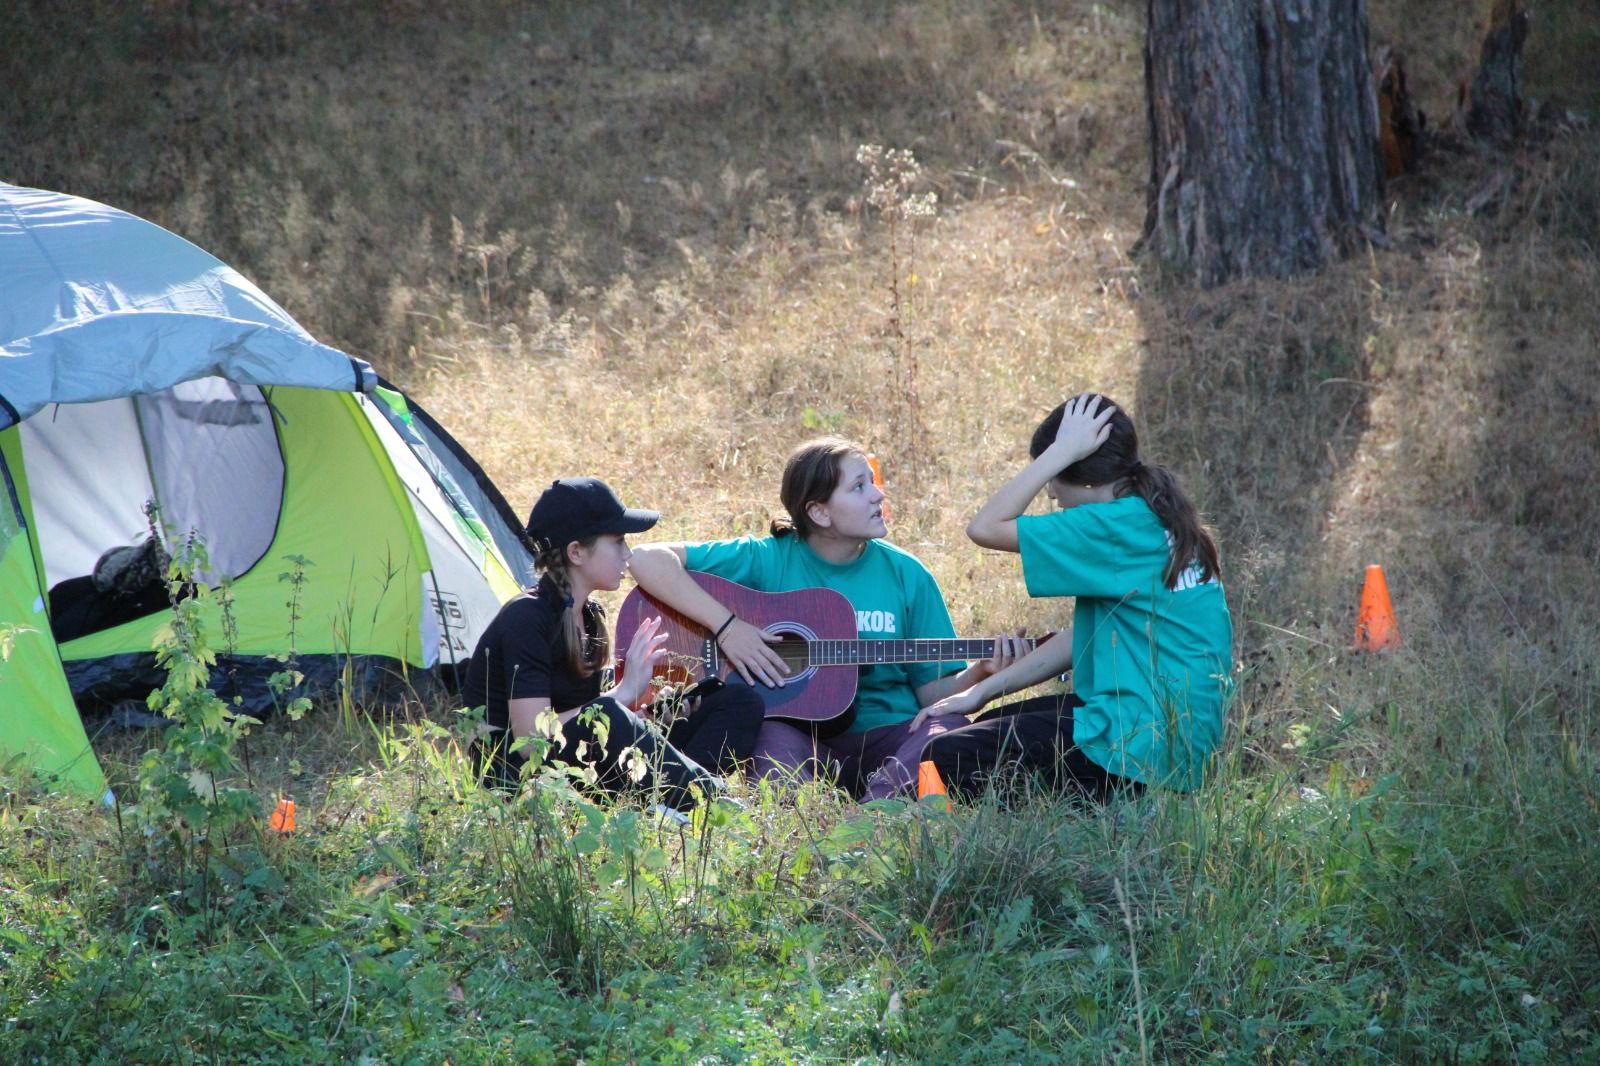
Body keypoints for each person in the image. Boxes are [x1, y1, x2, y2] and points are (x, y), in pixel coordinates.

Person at [628, 437, 1020, 800]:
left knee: (947, 729)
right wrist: (728, 628)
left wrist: (979, 672)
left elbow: (931, 693)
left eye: (873, 483)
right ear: (819, 512)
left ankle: (873, 816)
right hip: (800, 736)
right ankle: (802, 824)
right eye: (859, 487)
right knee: (768, 739)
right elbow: (646, 560)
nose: (878, 495)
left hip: (894, 735)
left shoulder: (908, 574)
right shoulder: (769, 558)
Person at [909, 393, 1234, 801]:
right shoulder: (1149, 516)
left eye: (1055, 476)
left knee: (945, 755)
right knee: (988, 721)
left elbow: (985, 527)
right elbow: (1080, 638)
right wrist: (980, 691)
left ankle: (1095, 821)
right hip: (1169, 744)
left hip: (1135, 749)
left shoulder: (1113, 528)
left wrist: (1058, 452)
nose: (1050, 495)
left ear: (1081, 472)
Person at [462, 477, 764, 813]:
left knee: (736, 701)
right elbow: (530, 743)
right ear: (576, 552)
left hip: (580, 765)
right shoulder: (526, 618)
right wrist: (621, 696)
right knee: (607, 712)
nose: (628, 553)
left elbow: (588, 719)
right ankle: (712, 804)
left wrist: (646, 712)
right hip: (525, 783)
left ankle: (676, 809)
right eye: (618, 541)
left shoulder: (588, 614)